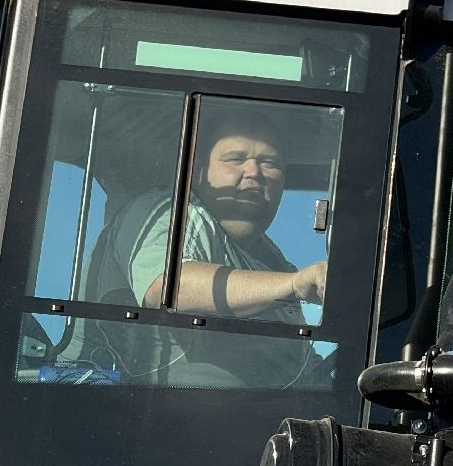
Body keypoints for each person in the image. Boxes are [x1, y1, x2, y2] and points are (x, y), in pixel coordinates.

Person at [86, 109, 327, 387]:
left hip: (260, 410)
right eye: (235, 159)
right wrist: (294, 284)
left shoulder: (274, 263)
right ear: (199, 171)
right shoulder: (165, 214)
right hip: (148, 405)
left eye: (269, 163)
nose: (253, 172)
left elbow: (299, 364)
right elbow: (168, 288)